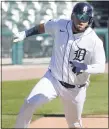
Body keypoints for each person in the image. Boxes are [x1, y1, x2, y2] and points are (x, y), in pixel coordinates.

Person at [13, 2, 106, 128]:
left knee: (74, 124)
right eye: (79, 16)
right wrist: (25, 33)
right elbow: (44, 27)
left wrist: (86, 68)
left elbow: (101, 66)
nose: (81, 21)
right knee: (29, 103)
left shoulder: (94, 41)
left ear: (90, 20)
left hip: (76, 89)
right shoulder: (60, 25)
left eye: (85, 18)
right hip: (53, 79)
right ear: (73, 16)